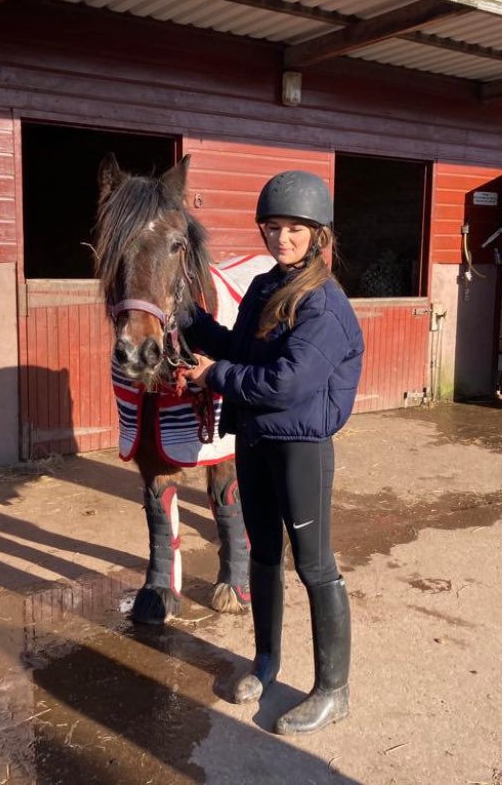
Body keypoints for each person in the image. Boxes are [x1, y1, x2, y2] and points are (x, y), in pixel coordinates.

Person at [181, 170, 364, 735]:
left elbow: (286, 382)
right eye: (273, 227)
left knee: (314, 565)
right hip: (257, 439)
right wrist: (188, 320)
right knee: (263, 554)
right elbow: (241, 347)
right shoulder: (267, 286)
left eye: (294, 229)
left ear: (318, 234)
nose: (281, 238)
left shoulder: (324, 306)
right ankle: (265, 661)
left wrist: (215, 375)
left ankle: (334, 689)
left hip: (300, 447)